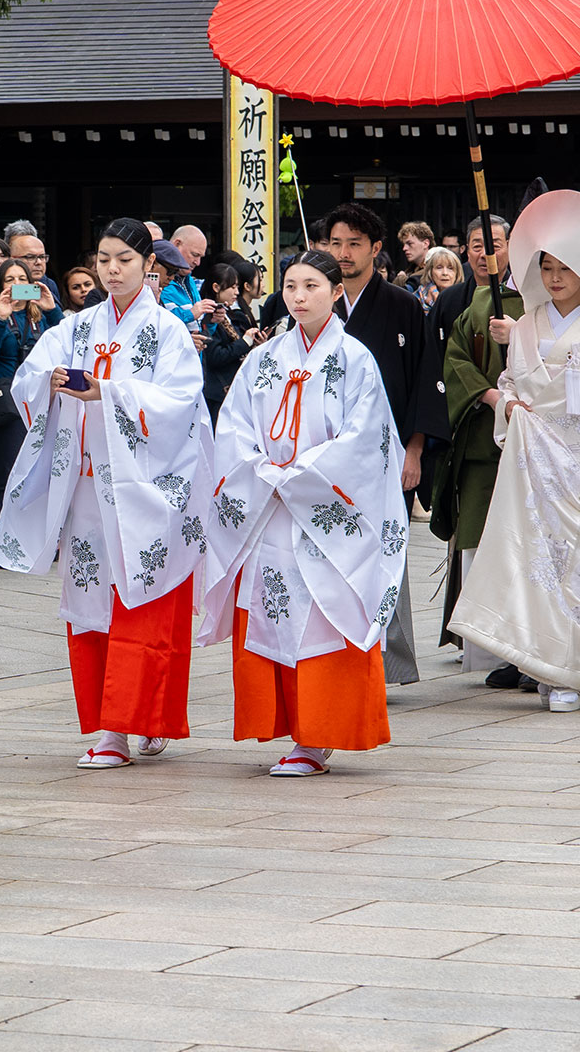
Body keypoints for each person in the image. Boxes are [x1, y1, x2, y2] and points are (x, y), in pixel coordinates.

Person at [0, 218, 211, 769]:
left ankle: (145, 719)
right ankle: (110, 729)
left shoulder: (166, 331)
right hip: (88, 491)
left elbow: (180, 404)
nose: (111, 270)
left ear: (148, 267)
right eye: (104, 259)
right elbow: (30, 376)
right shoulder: (75, 327)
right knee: (93, 607)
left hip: (144, 492)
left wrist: (107, 391)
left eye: (124, 261)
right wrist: (48, 384)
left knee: (146, 605)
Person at [201, 248, 404, 776]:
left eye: (312, 285)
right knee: (273, 609)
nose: (299, 296)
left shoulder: (355, 358)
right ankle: (292, 729)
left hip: (321, 507)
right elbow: (236, 424)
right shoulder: (265, 359)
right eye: (291, 286)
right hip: (270, 503)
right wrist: (260, 471)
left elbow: (365, 441)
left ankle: (318, 735)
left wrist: (303, 473)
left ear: (337, 291)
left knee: (323, 612)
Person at [447, 193, 580, 713]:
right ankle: (541, 660)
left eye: (565, 268)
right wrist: (511, 404)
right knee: (535, 560)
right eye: (547, 267)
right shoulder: (529, 322)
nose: (555, 278)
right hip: (534, 460)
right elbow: (512, 380)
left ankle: (573, 670)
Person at [320, 202, 432, 686]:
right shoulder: (315, 303)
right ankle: (336, 656)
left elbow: (426, 380)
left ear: (376, 249)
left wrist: (415, 450)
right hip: (327, 455)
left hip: (388, 454)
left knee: (387, 553)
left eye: (354, 244)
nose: (344, 254)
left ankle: (388, 663)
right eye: (336, 243)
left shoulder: (404, 306)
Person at [431, 213, 513, 678]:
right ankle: (477, 639)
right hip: (478, 435)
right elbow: (449, 362)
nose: (486, 254)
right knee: (477, 538)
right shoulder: (457, 303)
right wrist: (489, 395)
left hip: (536, 441)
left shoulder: (539, 303)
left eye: (496, 244)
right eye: (478, 245)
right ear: (466, 250)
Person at [0, 257, 60, 567]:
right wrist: (0, 318)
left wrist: (52, 309)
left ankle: (31, 541)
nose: (17, 285)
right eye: (10, 280)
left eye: (23, 279)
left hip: (37, 403)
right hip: (2, 407)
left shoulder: (39, 317)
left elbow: (67, 345)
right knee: (3, 476)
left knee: (38, 475)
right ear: (0, 286)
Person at [197, 260, 262, 417]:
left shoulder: (229, 313)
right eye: (232, 287)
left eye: (237, 287)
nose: (237, 292)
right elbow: (216, 355)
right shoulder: (208, 317)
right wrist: (245, 342)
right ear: (216, 287)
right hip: (217, 393)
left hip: (231, 389)